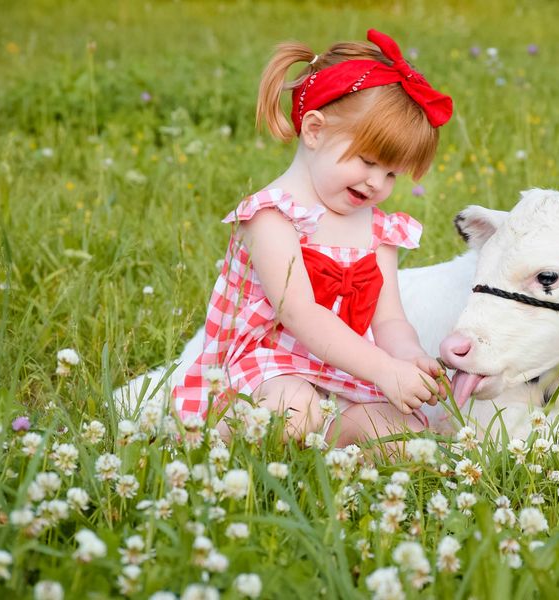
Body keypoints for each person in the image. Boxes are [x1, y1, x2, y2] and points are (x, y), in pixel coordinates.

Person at [172, 29, 453, 447]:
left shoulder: (378, 229)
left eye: (392, 173)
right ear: (316, 130)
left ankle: (327, 449)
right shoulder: (272, 217)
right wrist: (383, 370)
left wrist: (408, 356)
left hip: (344, 369)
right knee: (293, 411)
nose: (377, 182)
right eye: (368, 161)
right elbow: (300, 314)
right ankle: (214, 436)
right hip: (267, 369)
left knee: (408, 438)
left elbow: (389, 318)